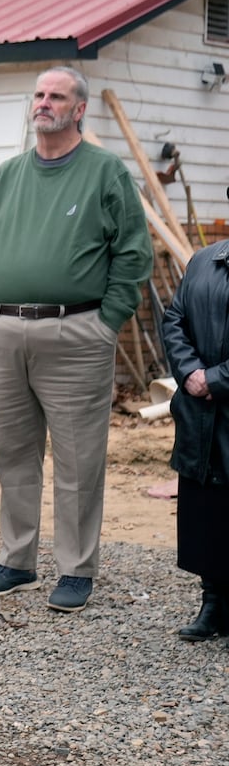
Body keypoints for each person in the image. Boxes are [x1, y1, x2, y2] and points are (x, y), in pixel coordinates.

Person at [0, 66, 151, 612]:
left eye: (57, 96)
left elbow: (134, 253)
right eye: (40, 94)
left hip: (77, 333)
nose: (44, 103)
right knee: (13, 455)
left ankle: (75, 569)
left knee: (77, 459)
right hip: (3, 331)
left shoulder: (104, 172)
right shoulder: (6, 175)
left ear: (79, 109)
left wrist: (106, 320)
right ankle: (17, 559)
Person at [159, 235, 229, 642]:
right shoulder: (205, 260)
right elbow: (174, 319)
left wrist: (216, 378)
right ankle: (213, 602)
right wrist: (190, 373)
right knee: (207, 511)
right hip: (200, 414)